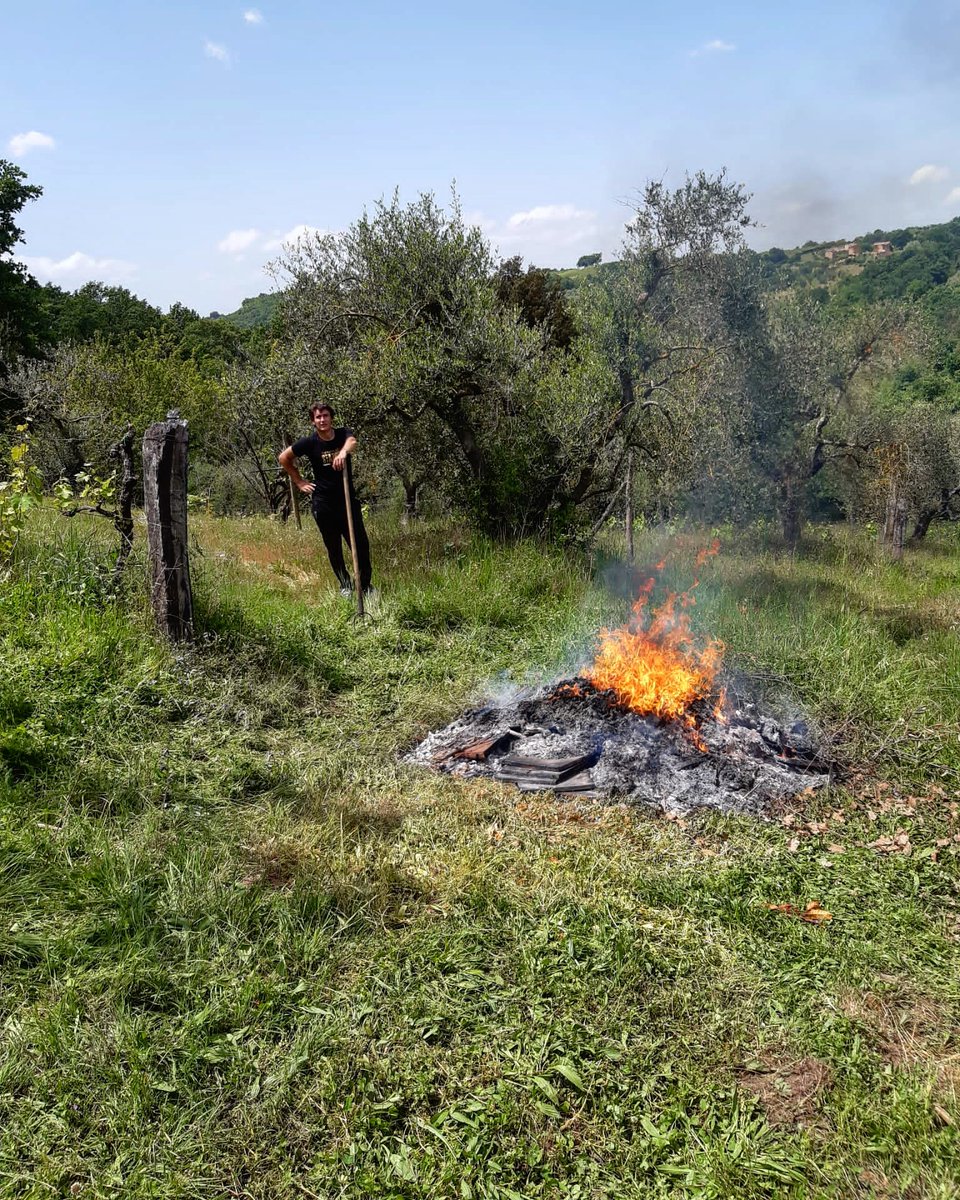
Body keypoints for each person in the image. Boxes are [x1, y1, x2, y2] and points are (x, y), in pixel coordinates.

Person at [278, 403, 373, 597]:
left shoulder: (342, 434)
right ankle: (345, 585)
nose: (322, 420)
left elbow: (352, 441)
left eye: (326, 416)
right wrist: (298, 481)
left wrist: (344, 452)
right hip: (323, 504)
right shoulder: (309, 442)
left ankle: (365, 586)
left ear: (331, 418)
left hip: (347, 501)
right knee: (334, 548)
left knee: (361, 545)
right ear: (313, 421)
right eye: (318, 417)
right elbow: (284, 458)